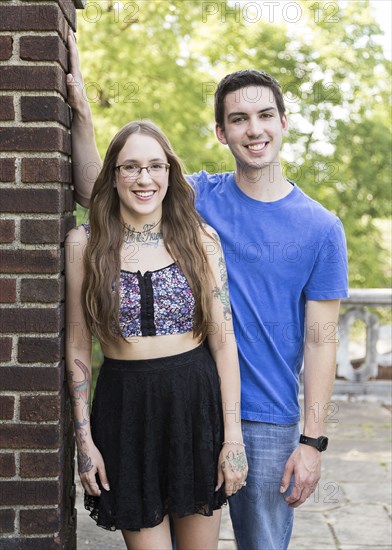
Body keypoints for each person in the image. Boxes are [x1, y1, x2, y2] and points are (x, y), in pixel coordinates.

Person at [66, 31, 348, 550]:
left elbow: (321, 340)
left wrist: (311, 441)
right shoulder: (198, 200)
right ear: (221, 132)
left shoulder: (321, 227)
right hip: (189, 403)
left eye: (265, 115)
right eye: (238, 119)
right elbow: (108, 190)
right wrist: (81, 111)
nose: (254, 129)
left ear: (284, 122)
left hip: (266, 420)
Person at [65, 118, 248, 550]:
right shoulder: (84, 244)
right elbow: (76, 343)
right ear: (113, 175)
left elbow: (224, 343)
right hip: (124, 410)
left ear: (170, 172)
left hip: (194, 405)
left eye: (155, 166)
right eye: (131, 167)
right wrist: (83, 438)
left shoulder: (199, 239)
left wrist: (232, 438)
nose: (144, 178)